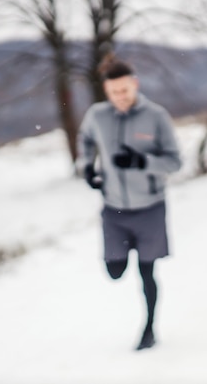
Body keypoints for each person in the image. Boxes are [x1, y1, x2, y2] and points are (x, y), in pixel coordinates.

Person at [76, 55, 182, 351]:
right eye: (113, 93)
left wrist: (141, 161)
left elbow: (175, 162)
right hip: (114, 210)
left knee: (146, 272)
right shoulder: (97, 115)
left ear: (135, 84)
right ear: (106, 92)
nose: (119, 97)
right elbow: (85, 139)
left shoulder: (156, 116)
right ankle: (120, 258)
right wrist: (86, 165)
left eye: (124, 90)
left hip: (150, 208)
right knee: (115, 271)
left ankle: (149, 329)